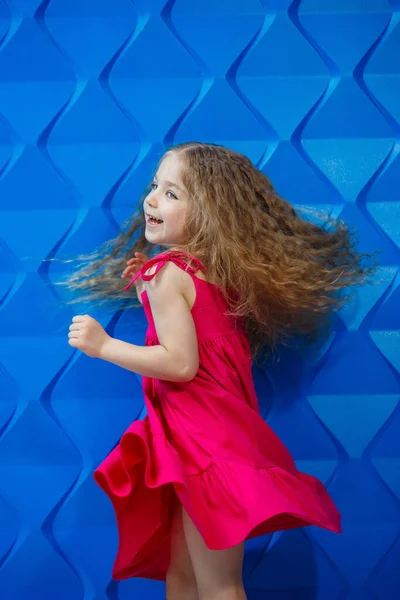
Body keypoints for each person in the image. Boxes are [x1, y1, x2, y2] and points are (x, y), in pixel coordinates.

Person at [65, 142, 376, 600]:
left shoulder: (170, 274)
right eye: (155, 186)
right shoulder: (211, 271)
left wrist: (106, 345)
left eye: (173, 194)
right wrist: (149, 290)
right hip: (215, 438)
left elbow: (181, 363)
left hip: (200, 445)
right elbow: (203, 341)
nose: (152, 199)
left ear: (209, 212)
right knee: (185, 575)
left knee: (217, 585)